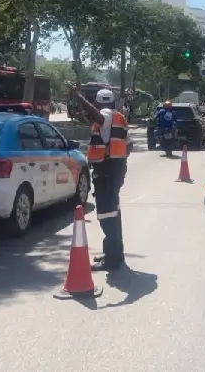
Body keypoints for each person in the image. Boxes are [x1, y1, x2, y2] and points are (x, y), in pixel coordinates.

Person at [74, 87, 130, 272]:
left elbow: (99, 117)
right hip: (115, 169)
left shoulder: (105, 115)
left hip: (106, 171)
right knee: (113, 211)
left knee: (106, 213)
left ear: (98, 103)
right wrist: (118, 164)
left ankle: (112, 259)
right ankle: (114, 253)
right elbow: (128, 146)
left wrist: (80, 99)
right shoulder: (119, 118)